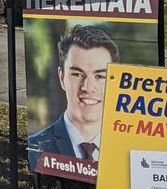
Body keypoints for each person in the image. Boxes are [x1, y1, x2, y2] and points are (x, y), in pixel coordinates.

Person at [27, 25, 117, 170]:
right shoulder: (34, 150)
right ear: (62, 78)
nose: (87, 87)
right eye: (77, 74)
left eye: (100, 76)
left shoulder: (129, 150)